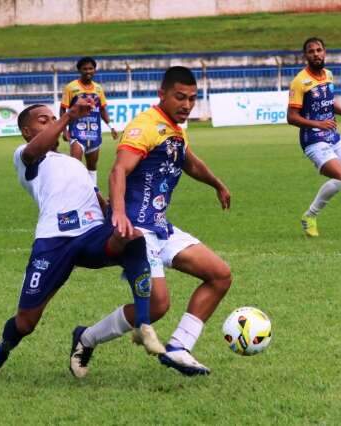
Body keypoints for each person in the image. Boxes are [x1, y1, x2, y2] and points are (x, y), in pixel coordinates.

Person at [0, 101, 165, 379]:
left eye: (53, 117)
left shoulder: (71, 163)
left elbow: (97, 198)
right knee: (26, 322)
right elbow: (35, 149)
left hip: (91, 236)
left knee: (132, 237)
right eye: (44, 120)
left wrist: (116, 213)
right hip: (54, 242)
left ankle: (144, 325)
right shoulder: (26, 156)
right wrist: (68, 116)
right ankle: (1, 351)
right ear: (27, 131)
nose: (52, 121)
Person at [72, 66, 232, 377]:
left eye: (192, 99)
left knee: (220, 275)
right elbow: (118, 171)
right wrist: (117, 213)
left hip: (160, 226)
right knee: (158, 305)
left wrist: (217, 184)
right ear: (163, 94)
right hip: (135, 229)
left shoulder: (176, 128)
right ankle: (85, 337)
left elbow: (189, 161)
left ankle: (180, 347)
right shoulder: (144, 126)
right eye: (180, 97)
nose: (186, 105)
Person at [287, 37, 341, 237]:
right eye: (311, 51)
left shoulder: (329, 75)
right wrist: (318, 124)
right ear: (305, 56)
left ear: (325, 52)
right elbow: (291, 117)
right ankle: (310, 216)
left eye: (319, 50)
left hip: (332, 136)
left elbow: (330, 103)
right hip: (313, 139)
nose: (316, 54)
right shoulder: (300, 82)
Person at [59, 56, 119, 187]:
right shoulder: (71, 88)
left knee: (92, 167)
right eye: (85, 69)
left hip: (94, 134)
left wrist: (112, 127)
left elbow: (102, 110)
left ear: (94, 70)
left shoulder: (98, 89)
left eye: (91, 68)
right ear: (79, 70)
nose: (88, 71)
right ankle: (75, 193)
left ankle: (93, 194)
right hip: (77, 133)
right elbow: (63, 110)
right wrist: (64, 130)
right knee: (75, 165)